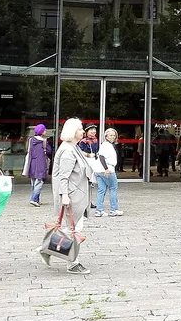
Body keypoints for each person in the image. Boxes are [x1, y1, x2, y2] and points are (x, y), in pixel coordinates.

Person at [45, 117, 94, 275]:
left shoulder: (73, 147)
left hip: (77, 194)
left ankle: (49, 249)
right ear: (72, 132)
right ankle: (72, 262)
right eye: (80, 129)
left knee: (72, 228)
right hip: (72, 195)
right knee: (73, 229)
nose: (83, 131)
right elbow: (63, 177)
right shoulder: (67, 150)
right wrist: (64, 195)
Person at [95, 128, 123, 217]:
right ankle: (113, 209)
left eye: (114, 135)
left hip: (99, 170)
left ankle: (99, 210)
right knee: (113, 188)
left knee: (101, 190)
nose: (113, 137)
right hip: (108, 169)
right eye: (111, 135)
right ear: (106, 136)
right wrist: (106, 169)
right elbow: (101, 157)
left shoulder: (106, 145)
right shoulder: (106, 145)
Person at [24, 124, 53, 206]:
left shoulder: (31, 140)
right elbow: (49, 151)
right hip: (41, 162)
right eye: (45, 130)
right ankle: (33, 199)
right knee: (39, 181)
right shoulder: (44, 141)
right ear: (42, 132)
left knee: (33, 181)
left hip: (32, 162)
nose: (46, 131)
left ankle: (37, 199)